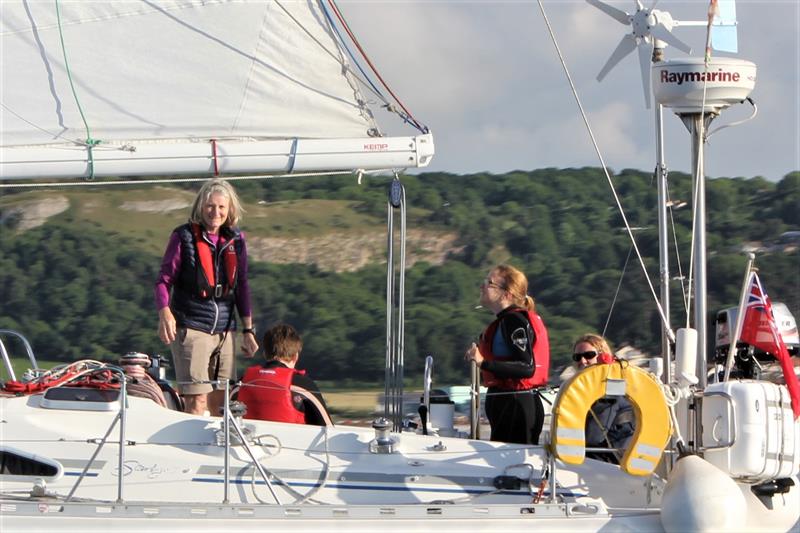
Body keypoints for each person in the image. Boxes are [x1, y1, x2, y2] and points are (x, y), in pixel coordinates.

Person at [155, 178, 258, 416]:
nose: (216, 212)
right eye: (210, 206)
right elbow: (163, 280)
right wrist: (165, 312)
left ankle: (218, 451)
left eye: (221, 207)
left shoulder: (236, 240)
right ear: (201, 207)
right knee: (197, 402)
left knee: (223, 405)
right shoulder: (183, 237)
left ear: (230, 210)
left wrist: (248, 329)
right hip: (192, 326)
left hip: (224, 330)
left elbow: (242, 285)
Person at [464, 264, 550, 444]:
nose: (482, 286)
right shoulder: (505, 321)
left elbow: (526, 367)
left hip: (516, 405)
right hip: (507, 403)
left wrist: (483, 363)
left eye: (489, 283)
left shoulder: (513, 321)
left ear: (506, 294)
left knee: (514, 468)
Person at [237, 323, 328, 425]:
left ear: (265, 354)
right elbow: (327, 428)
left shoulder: (242, 381)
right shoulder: (303, 384)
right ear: (295, 356)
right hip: (290, 440)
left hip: (247, 440)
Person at [572, 333, 636, 464]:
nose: (582, 361)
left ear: (602, 356)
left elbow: (593, 437)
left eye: (589, 355)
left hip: (608, 463)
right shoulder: (581, 392)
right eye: (577, 357)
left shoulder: (612, 389)